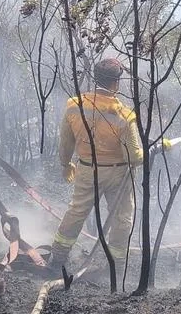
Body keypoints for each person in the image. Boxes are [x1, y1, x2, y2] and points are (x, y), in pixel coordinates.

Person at [47, 58, 143, 271]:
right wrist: (152, 148)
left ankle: (58, 257)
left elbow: (66, 141)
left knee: (77, 211)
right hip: (118, 175)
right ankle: (116, 263)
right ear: (116, 83)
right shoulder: (124, 115)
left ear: (96, 78)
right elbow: (135, 157)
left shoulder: (75, 105)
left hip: (87, 170)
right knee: (122, 217)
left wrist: (65, 164)